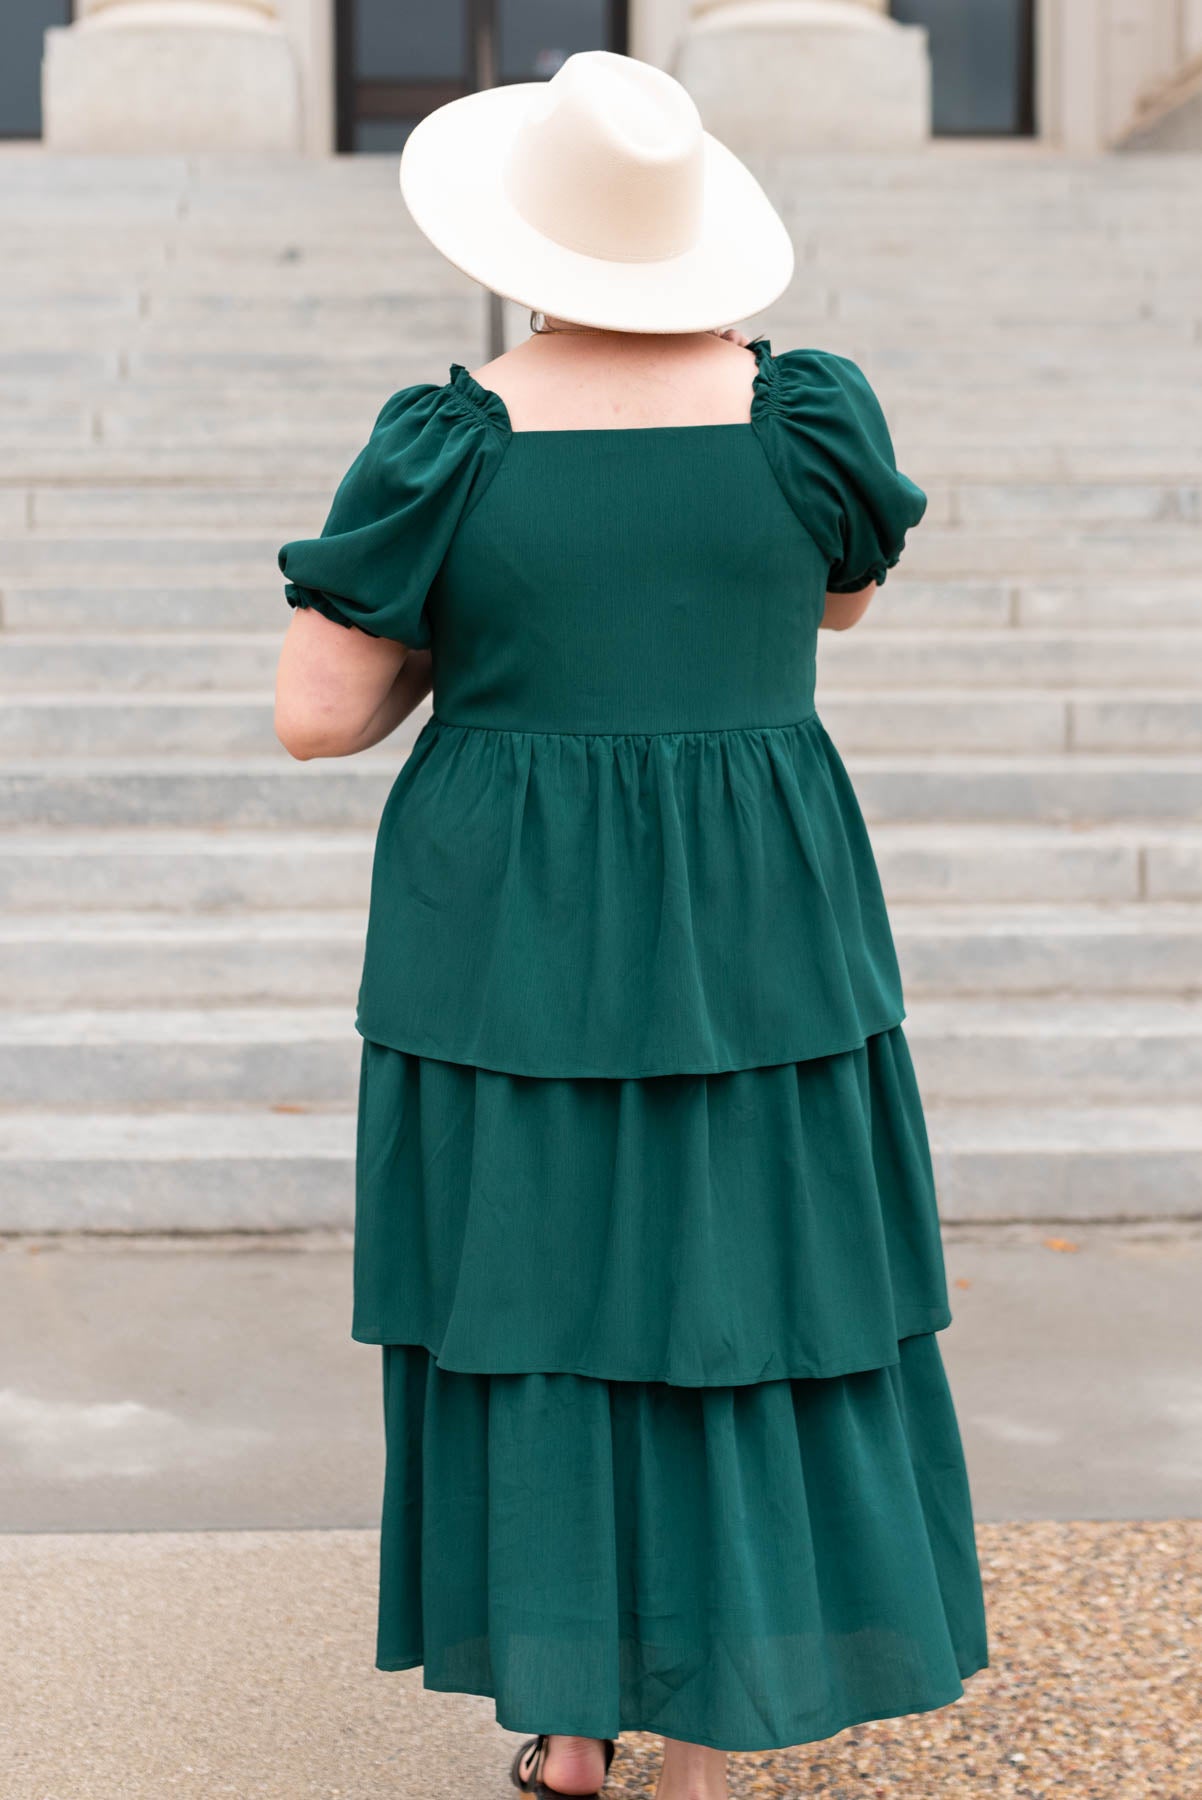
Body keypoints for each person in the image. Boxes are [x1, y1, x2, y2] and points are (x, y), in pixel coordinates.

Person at [273, 47, 989, 1800]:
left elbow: (317, 712)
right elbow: (840, 600)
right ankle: (703, 1741)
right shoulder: (805, 413)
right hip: (756, 906)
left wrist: (476, 636)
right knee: (741, 1277)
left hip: (509, 911)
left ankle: (572, 1724)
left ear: (522, 241)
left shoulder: (449, 441)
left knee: (539, 1284)